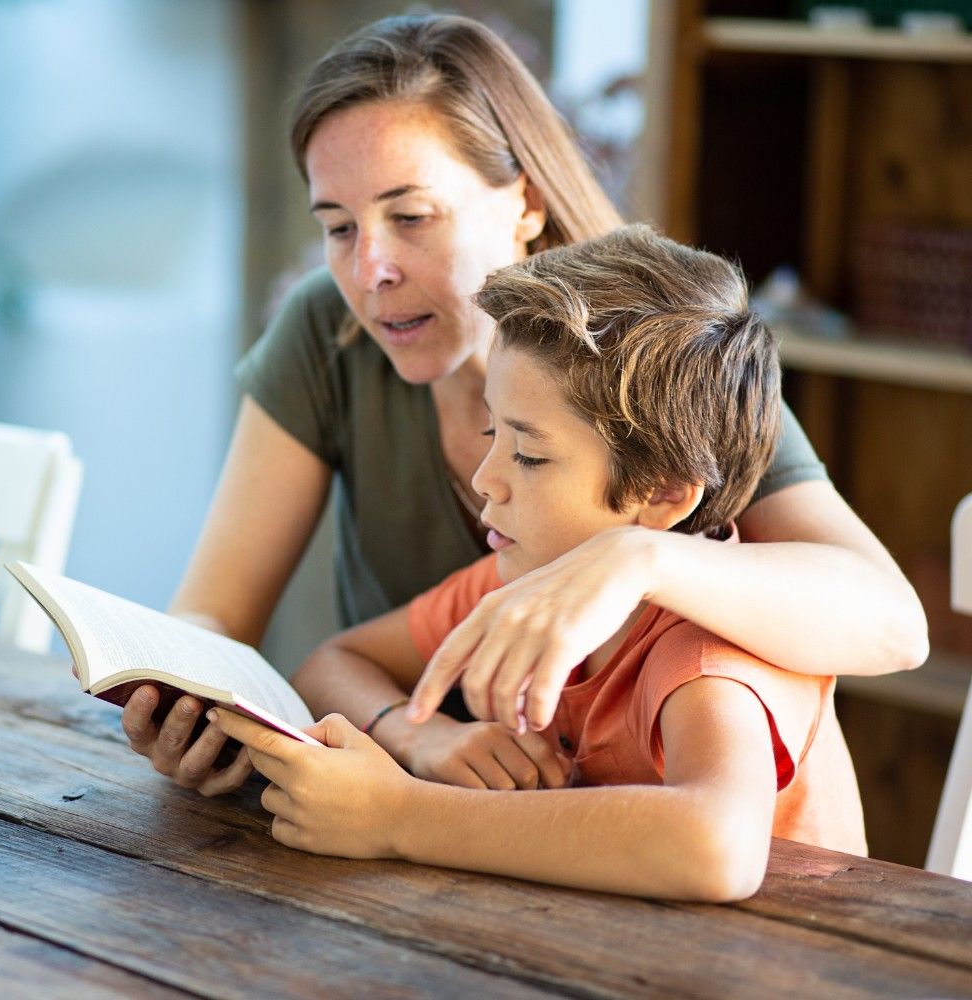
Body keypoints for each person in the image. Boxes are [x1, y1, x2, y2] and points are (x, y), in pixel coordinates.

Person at [120, 13, 926, 796]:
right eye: (338, 227)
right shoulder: (326, 331)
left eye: (411, 217)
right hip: (421, 829)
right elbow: (216, 616)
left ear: (527, 203)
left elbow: (892, 623)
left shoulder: (642, 359)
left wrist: (637, 558)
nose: (370, 271)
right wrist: (210, 702)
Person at [209, 226, 867, 901]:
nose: (487, 479)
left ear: (664, 494)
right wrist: (422, 737)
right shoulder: (524, 581)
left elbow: (718, 848)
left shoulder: (703, 651)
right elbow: (331, 664)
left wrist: (399, 815)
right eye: (493, 432)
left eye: (529, 454)